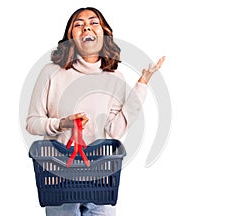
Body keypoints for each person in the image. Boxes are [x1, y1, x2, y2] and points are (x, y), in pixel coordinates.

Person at [26, 7, 165, 216]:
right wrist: (62, 124)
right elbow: (32, 122)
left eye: (93, 23)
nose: (86, 28)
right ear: (70, 37)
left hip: (100, 181)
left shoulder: (114, 78)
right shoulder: (51, 72)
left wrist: (142, 84)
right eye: (78, 25)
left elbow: (115, 130)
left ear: (104, 34)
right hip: (58, 182)